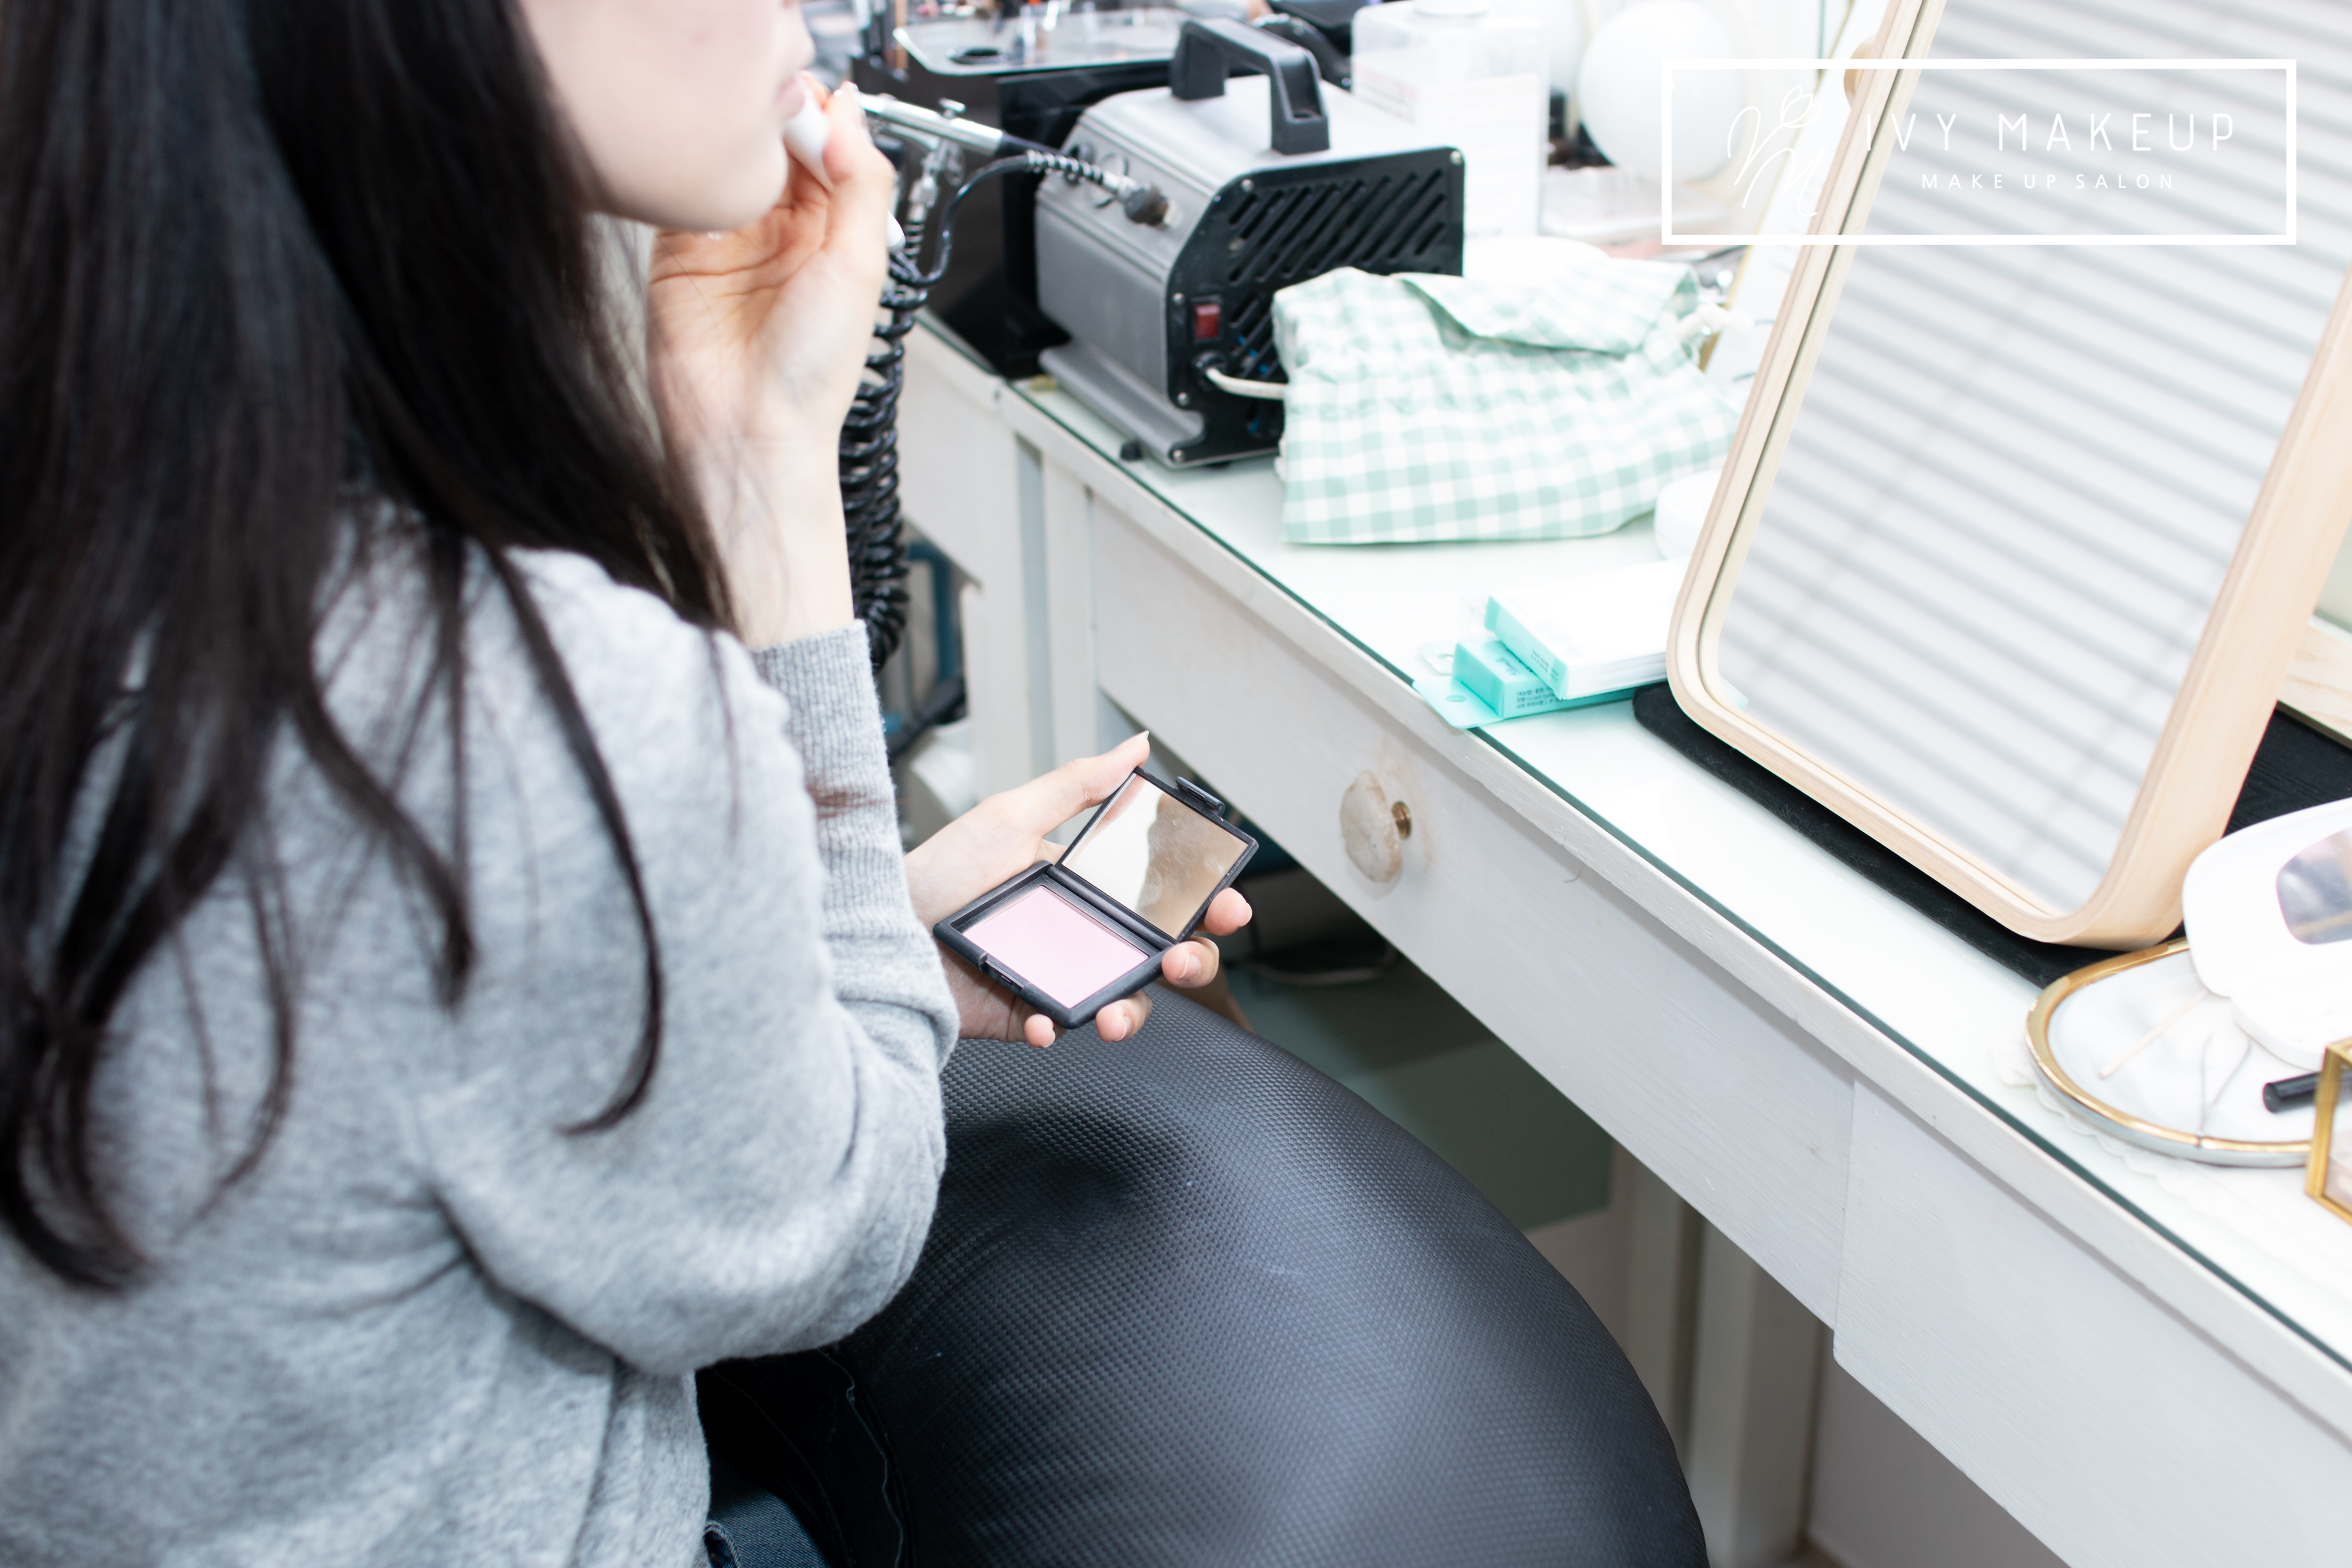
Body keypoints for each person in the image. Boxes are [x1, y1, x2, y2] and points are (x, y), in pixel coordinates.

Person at [0, 2, 1245, 1564]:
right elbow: (832, 1229)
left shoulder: (102, 547)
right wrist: (764, 469)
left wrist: (843, 935)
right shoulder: (513, 711)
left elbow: (406, 1031)